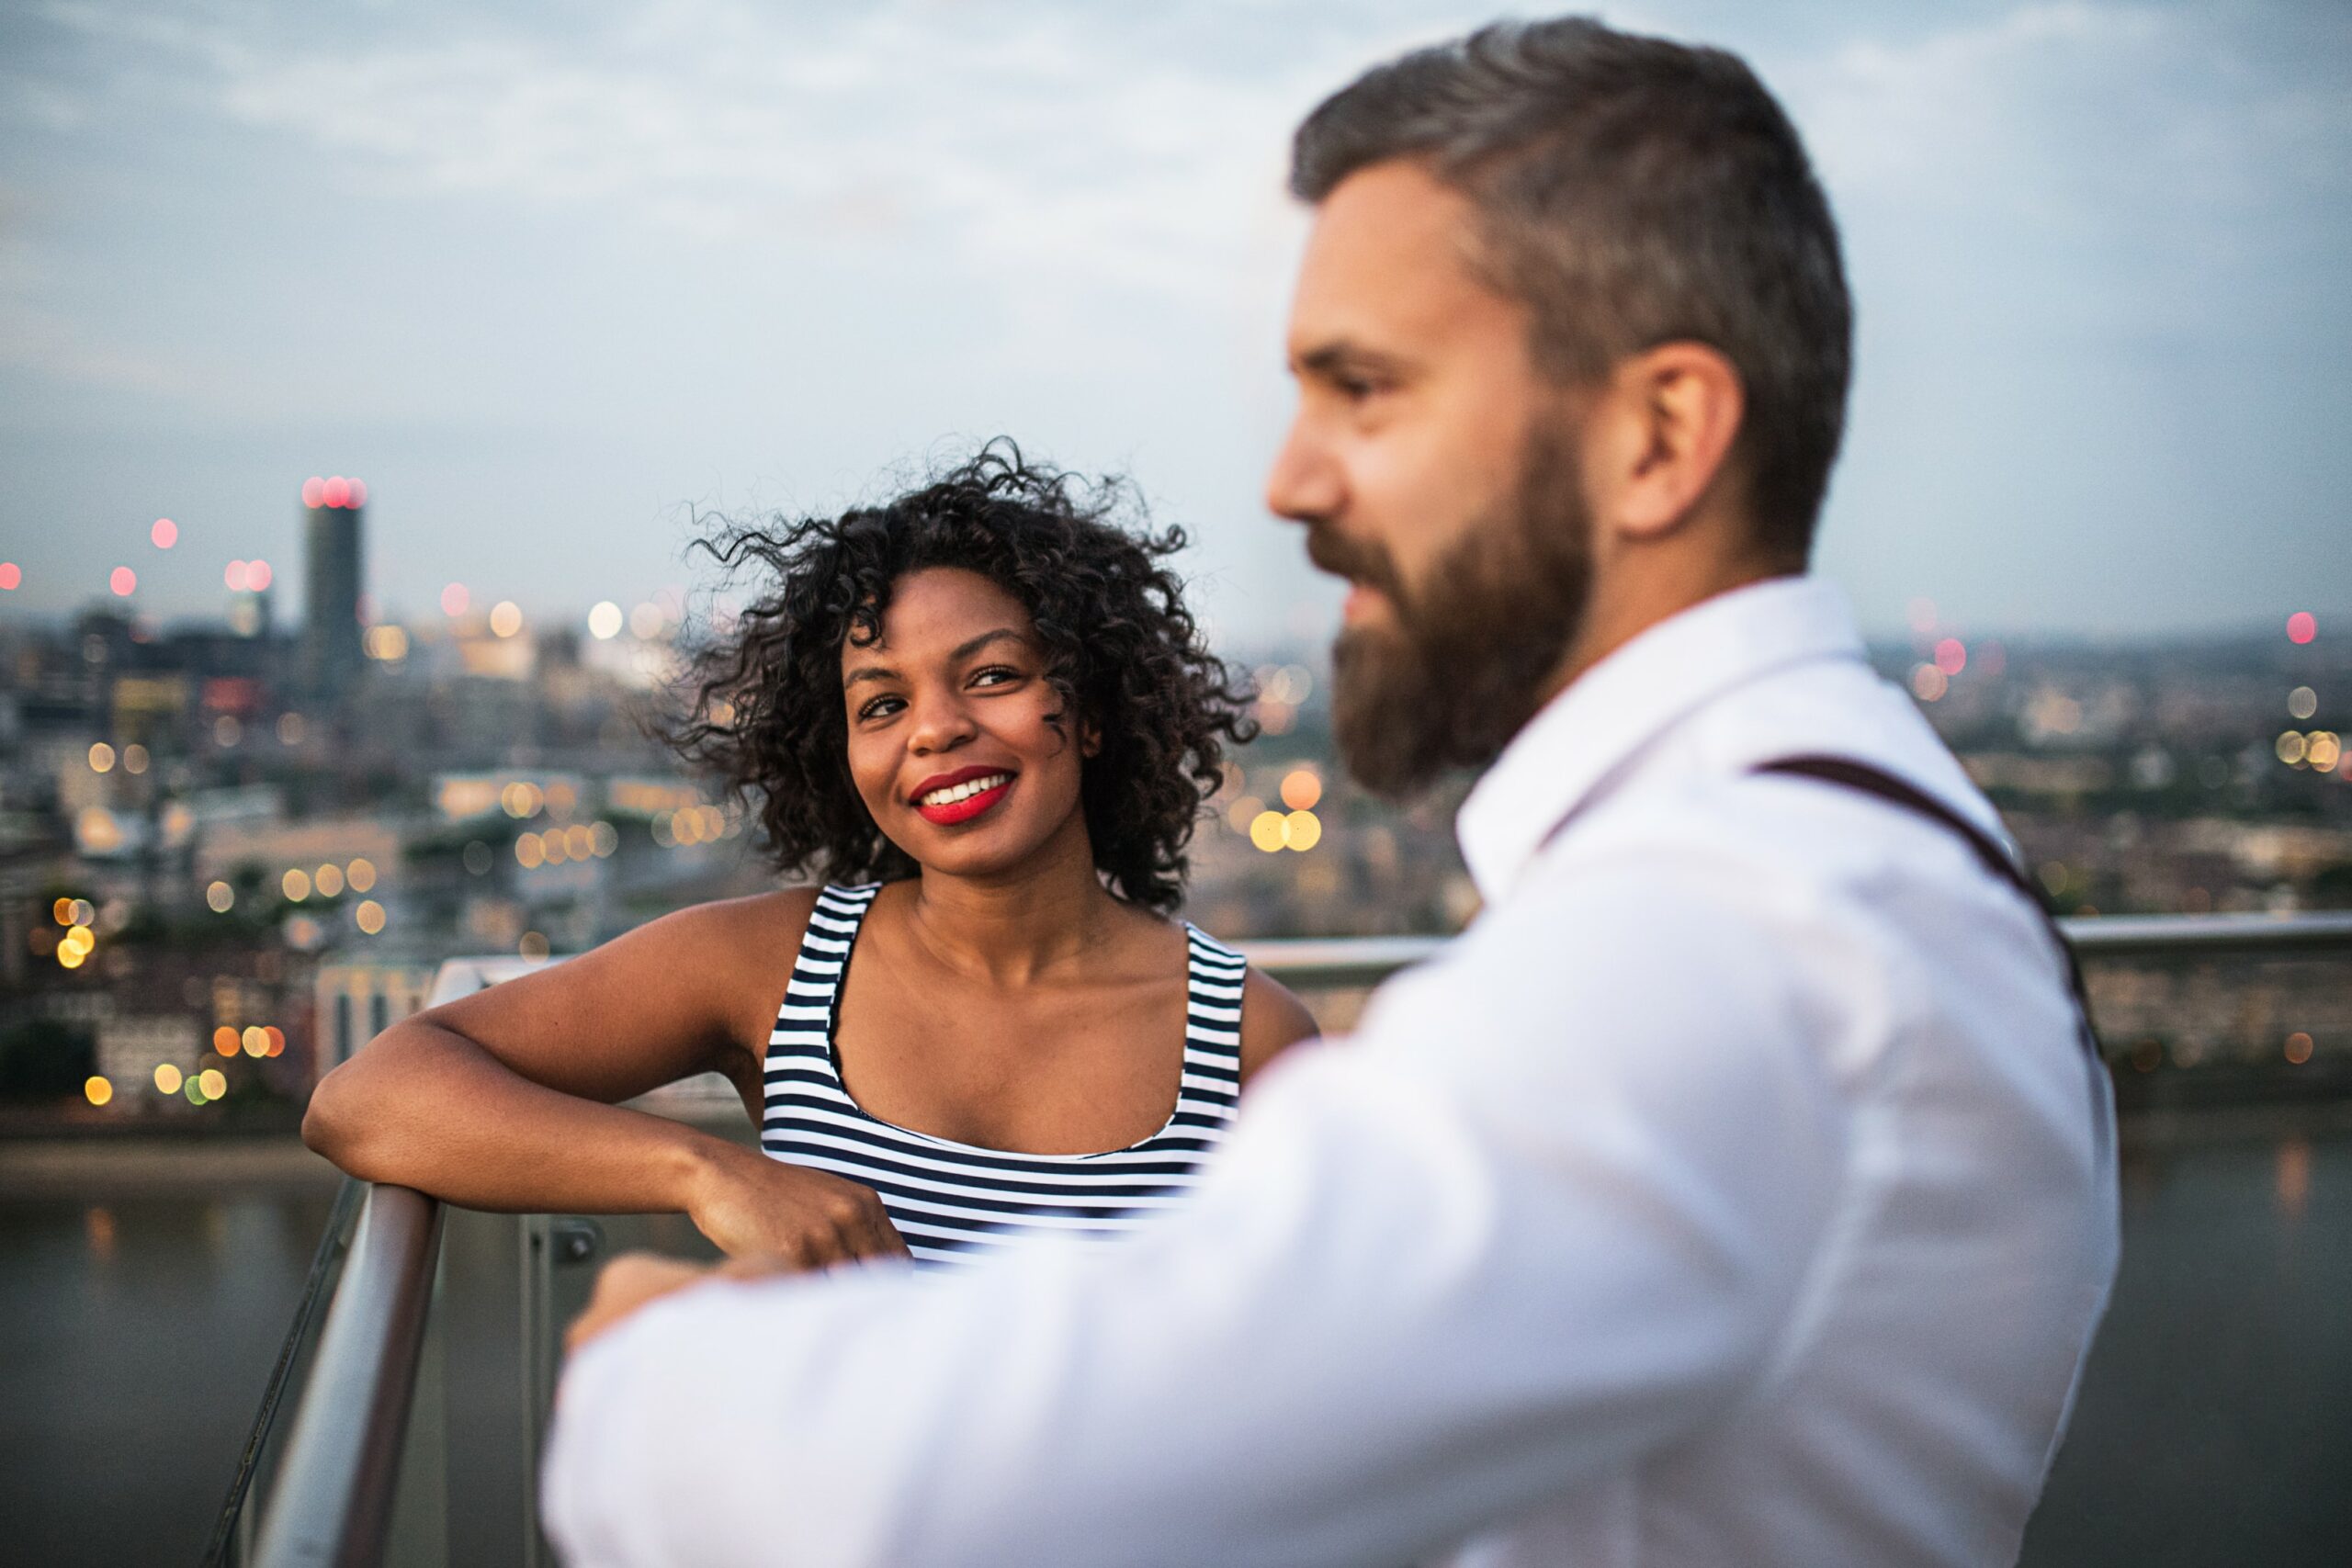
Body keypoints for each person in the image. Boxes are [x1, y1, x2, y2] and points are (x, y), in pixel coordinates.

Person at [541, 18, 2120, 1566]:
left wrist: (645, 1367)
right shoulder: (1870, 843)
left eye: (1367, 390)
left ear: (1659, 436)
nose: (1293, 481)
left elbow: (1013, 1471)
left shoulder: (1730, 939)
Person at [303, 446, 1317, 1270]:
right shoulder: (776, 969)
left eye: (993, 675)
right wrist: (710, 1174)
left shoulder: (1251, 1043)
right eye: (882, 703)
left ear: (1090, 713)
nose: (935, 730)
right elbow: (367, 1098)